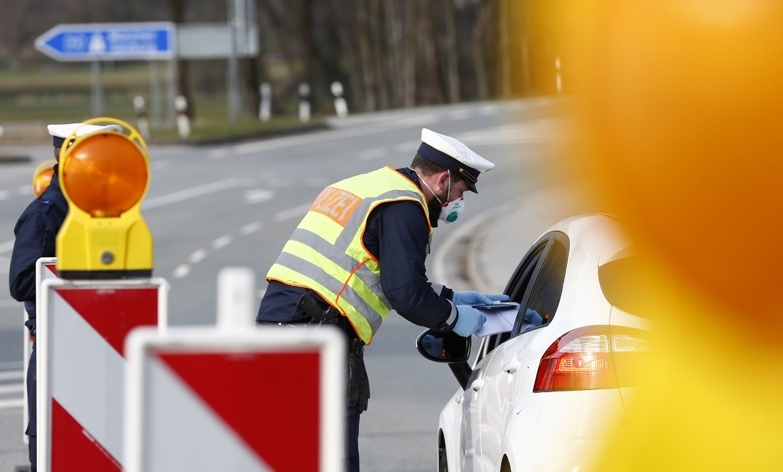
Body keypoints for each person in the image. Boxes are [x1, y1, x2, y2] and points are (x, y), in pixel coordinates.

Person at [256, 127, 508, 471]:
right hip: (318, 330)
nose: (456, 203)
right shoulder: (405, 206)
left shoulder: (367, 186)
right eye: (460, 192)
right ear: (443, 179)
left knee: (291, 447)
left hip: (280, 321)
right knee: (335, 453)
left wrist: (454, 297)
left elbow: (380, 274)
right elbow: (405, 293)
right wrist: (457, 319)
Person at [8, 122, 117, 471]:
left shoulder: (95, 208)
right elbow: (22, 282)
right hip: (59, 350)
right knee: (53, 450)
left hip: (100, 348)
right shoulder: (47, 214)